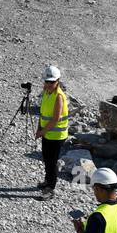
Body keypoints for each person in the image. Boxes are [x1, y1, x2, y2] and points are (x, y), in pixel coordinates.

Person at [35, 65, 69, 197]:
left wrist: (41, 132)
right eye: (46, 81)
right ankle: (48, 181)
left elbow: (55, 119)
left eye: (52, 82)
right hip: (47, 133)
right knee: (46, 158)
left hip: (57, 135)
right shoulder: (46, 92)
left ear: (58, 81)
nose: (49, 84)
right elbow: (43, 113)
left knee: (51, 161)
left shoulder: (59, 96)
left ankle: (50, 188)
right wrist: (39, 128)